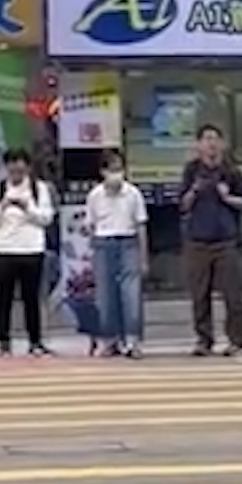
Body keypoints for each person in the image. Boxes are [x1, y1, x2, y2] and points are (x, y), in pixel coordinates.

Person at [178, 124, 242, 356]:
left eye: (215, 139)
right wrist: (194, 191)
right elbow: (182, 205)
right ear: (198, 145)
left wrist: (227, 197)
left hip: (226, 240)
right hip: (197, 240)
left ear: (221, 144)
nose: (211, 144)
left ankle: (237, 341)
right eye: (206, 139)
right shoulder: (191, 170)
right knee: (199, 295)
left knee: (233, 294)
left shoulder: (231, 171)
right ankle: (204, 340)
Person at [0, 147, 55, 356]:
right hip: (4, 250)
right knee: (3, 298)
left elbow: (46, 218)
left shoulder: (38, 188)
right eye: (11, 165)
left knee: (31, 298)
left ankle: (35, 341)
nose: (16, 170)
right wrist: (3, 205)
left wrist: (28, 208)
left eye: (20, 165)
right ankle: (4, 342)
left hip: (31, 249)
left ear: (28, 167)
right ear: (6, 167)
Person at [87, 150, 149, 357]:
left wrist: (144, 258)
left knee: (131, 293)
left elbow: (141, 226)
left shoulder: (133, 194)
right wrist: (92, 254)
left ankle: (133, 340)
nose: (117, 174)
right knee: (105, 295)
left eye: (120, 169)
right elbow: (90, 226)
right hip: (103, 244)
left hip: (129, 242)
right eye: (112, 169)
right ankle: (109, 339)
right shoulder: (95, 196)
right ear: (103, 172)